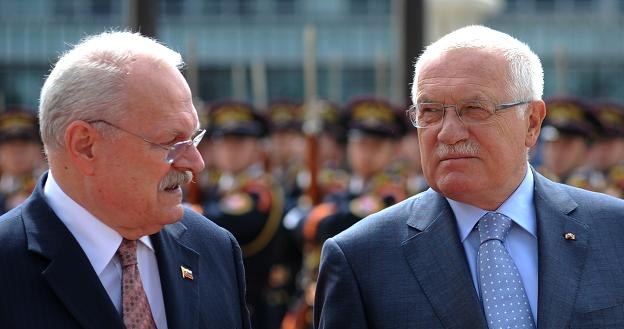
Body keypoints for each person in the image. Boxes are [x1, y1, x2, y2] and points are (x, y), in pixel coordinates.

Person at [315, 25, 624, 329]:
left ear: (531, 123)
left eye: (474, 108)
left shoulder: (614, 231)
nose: (448, 133)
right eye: (430, 111)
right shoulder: (362, 259)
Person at [0, 31, 251, 329]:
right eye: (171, 141)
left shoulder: (214, 248)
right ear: (85, 145)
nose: (195, 163)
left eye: (194, 138)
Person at [197, 100, 287, 329]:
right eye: (224, 142)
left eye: (239, 142)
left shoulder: (260, 191)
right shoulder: (216, 187)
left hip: (252, 305)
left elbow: (228, 220)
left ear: (257, 147)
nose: (230, 150)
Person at [537, 97, 605, 191]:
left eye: (567, 144)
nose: (558, 151)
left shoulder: (602, 190)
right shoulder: (535, 184)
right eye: (552, 143)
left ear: (588, 148)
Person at [0, 106, 47, 213]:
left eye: (24, 145)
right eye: (10, 146)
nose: (17, 153)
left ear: (40, 148)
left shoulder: (51, 188)